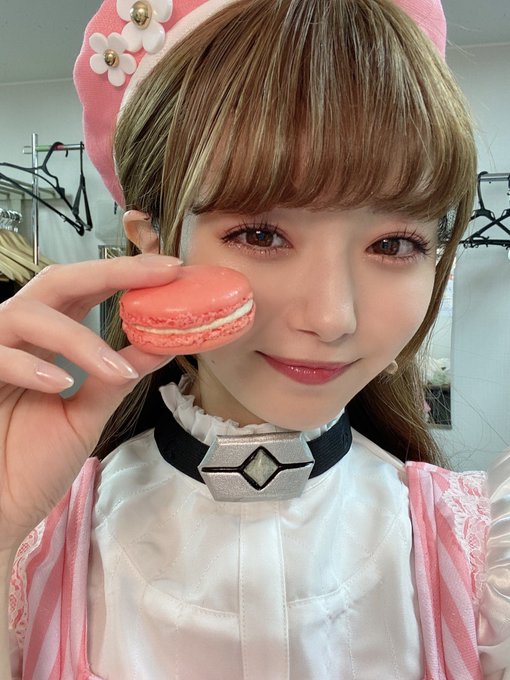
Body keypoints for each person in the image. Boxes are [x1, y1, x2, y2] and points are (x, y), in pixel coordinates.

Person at [1, 0, 509, 677]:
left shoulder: (482, 562)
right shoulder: (29, 554)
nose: (332, 318)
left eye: (394, 244)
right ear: (152, 246)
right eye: (261, 234)